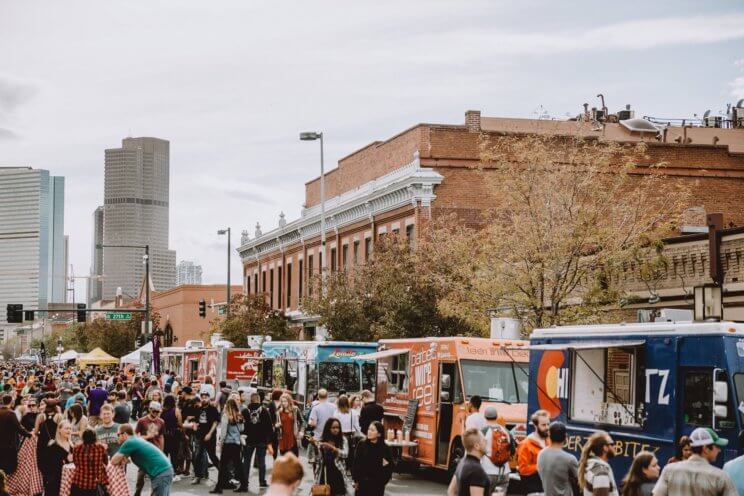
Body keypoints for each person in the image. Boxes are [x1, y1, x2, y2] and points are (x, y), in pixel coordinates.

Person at [653, 427, 737, 496]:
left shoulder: (669, 470)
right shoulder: (720, 477)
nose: (719, 450)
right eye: (717, 446)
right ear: (705, 448)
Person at [112, 424, 174, 496]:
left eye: (118, 435)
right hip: (164, 471)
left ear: (124, 434)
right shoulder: (135, 439)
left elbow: (113, 461)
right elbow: (125, 459)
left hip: (161, 473)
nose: (117, 437)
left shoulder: (129, 442)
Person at [212, 398, 246, 493]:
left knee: (222, 466)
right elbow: (242, 428)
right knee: (238, 465)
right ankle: (244, 484)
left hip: (228, 443)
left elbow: (223, 432)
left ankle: (219, 487)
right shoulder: (239, 416)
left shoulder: (226, 416)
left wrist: (220, 443)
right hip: (237, 443)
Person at [537, 422, 579, 496]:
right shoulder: (570, 459)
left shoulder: (540, 454)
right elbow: (579, 481)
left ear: (549, 436)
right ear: (565, 436)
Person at [242, 391, 273, 490]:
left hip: (248, 440)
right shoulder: (264, 411)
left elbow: (241, 426)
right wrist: (268, 441)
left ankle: (245, 481)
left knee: (246, 461)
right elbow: (269, 428)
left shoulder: (245, 411)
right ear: (259, 400)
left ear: (250, 400)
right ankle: (262, 482)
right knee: (261, 462)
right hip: (261, 440)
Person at [352, 420, 393, 496]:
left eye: (372, 430)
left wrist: (383, 481)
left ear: (379, 434)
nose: (369, 432)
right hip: (362, 483)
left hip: (377, 485)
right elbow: (356, 463)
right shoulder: (362, 444)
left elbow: (389, 466)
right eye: (369, 429)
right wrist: (355, 480)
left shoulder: (385, 448)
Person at [480, 406, 514, 495]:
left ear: (485, 416)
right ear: (496, 416)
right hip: (504, 473)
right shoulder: (506, 431)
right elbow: (512, 450)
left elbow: (477, 451)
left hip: (487, 472)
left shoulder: (483, 431)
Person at [311, 418, 350, 496]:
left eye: (338, 427)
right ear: (328, 428)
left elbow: (345, 454)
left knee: (338, 493)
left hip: (338, 472)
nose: (336, 430)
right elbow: (318, 458)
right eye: (333, 428)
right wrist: (315, 446)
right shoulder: (323, 439)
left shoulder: (343, 439)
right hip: (325, 473)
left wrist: (333, 448)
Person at [447, 428, 490, 496]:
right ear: (477, 446)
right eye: (484, 440)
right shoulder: (477, 470)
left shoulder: (462, 462)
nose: (486, 441)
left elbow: (451, 491)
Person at [518, 409, 551, 494]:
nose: (547, 427)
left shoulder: (549, 441)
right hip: (534, 490)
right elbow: (523, 470)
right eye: (543, 425)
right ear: (535, 426)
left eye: (548, 424)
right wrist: (541, 466)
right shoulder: (525, 444)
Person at [578, 431, 618, 496]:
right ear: (605, 448)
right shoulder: (601, 473)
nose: (615, 446)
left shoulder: (591, 466)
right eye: (612, 443)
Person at [192, 392, 220, 485]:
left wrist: (209, 434)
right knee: (197, 456)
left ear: (209, 398)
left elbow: (215, 423)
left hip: (210, 436)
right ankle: (197, 476)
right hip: (199, 435)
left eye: (206, 397)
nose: (204, 399)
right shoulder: (198, 409)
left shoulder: (213, 409)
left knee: (212, 456)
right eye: (202, 397)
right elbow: (196, 420)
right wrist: (195, 425)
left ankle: (224, 475)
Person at [71, 429, 109, 496]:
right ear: (95, 437)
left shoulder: (77, 448)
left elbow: (75, 463)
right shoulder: (101, 448)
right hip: (95, 483)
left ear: (83, 437)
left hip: (79, 481)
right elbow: (106, 462)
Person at [0, 394, 30, 475]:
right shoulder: (10, 413)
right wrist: (29, 434)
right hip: (9, 444)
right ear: (12, 402)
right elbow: (19, 428)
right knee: (9, 467)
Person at [48, 419, 74, 496]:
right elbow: (50, 466)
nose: (69, 430)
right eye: (66, 428)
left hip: (68, 480)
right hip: (56, 482)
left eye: (70, 428)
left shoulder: (72, 446)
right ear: (59, 430)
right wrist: (66, 460)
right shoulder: (53, 446)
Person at [161, 394, 183, 481]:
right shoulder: (176, 410)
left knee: (164, 454)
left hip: (164, 435)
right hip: (174, 435)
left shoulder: (161, 411)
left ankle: (164, 472)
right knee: (174, 454)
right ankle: (173, 473)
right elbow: (180, 423)